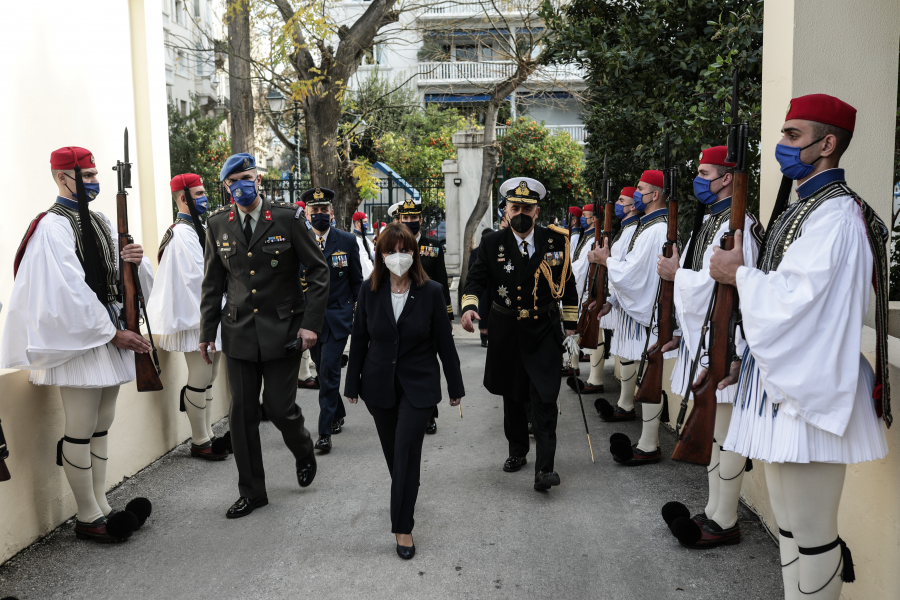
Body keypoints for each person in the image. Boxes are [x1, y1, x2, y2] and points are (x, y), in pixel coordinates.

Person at [709, 94, 889, 599]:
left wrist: (737, 273)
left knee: (811, 534)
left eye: (793, 135)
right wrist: (742, 355)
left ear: (826, 144)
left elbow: (798, 303)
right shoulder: (808, 208)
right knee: (789, 525)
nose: (781, 145)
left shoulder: (835, 217)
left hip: (812, 389)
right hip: (786, 384)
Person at [1, 146, 156, 542]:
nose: (93, 181)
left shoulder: (102, 220)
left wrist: (135, 261)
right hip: (79, 338)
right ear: (61, 178)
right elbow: (65, 290)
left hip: (105, 331)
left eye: (93, 174)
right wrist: (110, 332)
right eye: (85, 176)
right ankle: (87, 516)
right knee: (81, 425)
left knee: (102, 422)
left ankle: (101, 503)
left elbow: (116, 280)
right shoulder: (53, 226)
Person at [199, 153, 329, 519]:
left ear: (258, 179)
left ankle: (303, 448)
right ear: (225, 187)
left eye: (245, 178)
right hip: (238, 332)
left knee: (278, 407)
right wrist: (206, 332)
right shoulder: (218, 224)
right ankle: (253, 491)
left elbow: (318, 272)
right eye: (231, 181)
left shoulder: (287, 219)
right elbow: (213, 283)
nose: (239, 186)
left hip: (284, 330)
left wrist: (311, 325)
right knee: (240, 415)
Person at [654, 146, 763, 549]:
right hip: (711, 339)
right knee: (717, 433)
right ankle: (715, 510)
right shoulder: (713, 221)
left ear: (727, 178)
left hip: (730, 344)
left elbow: (736, 285)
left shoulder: (741, 226)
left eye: (706, 172)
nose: (700, 179)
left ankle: (726, 517)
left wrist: (675, 273)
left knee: (728, 435)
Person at [344, 223, 464, 559]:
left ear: (415, 253)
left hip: (419, 386)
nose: (399, 257)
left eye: (405, 250)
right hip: (378, 385)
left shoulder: (432, 291)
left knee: (406, 450)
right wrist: (351, 383)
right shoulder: (369, 290)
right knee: (398, 460)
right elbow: (360, 340)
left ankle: (403, 527)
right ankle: (406, 492)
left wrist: (455, 385)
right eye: (391, 250)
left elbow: (444, 342)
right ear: (381, 255)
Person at [461, 177, 578, 491]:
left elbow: (568, 285)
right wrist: (469, 307)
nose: (521, 212)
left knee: (545, 399)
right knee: (513, 398)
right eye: (516, 207)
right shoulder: (491, 244)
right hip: (507, 330)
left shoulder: (555, 242)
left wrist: (571, 327)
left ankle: (545, 470)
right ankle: (517, 451)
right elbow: (475, 280)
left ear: (537, 211)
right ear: (506, 210)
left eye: (527, 207)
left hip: (543, 330)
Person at [589, 170, 674, 465]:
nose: (637, 194)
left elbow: (632, 271)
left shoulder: (655, 229)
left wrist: (605, 261)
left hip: (649, 311)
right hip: (641, 308)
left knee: (650, 375)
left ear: (655, 194)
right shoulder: (646, 227)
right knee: (641, 369)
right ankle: (645, 438)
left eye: (641, 189)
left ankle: (650, 444)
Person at [147, 173, 229, 461]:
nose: (204, 198)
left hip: (213, 312)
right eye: (199, 194)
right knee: (201, 373)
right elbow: (198, 278)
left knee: (211, 374)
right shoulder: (181, 233)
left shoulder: (201, 227)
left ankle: (207, 433)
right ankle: (200, 439)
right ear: (183, 198)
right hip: (196, 316)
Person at [304, 188, 364, 453]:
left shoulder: (347, 241)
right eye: (314, 211)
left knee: (328, 370)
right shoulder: (300, 240)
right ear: (306, 214)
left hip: (338, 316)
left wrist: (359, 311)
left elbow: (356, 281)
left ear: (332, 212)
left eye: (323, 210)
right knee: (322, 370)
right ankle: (337, 412)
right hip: (310, 321)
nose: (319, 215)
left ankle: (324, 431)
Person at [397, 197, 453, 435]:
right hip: (400, 313)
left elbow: (441, 283)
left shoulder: (433, 247)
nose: (410, 222)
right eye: (405, 218)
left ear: (421, 218)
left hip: (428, 315)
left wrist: (448, 317)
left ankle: (430, 412)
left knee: (428, 364)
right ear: (399, 220)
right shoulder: (392, 245)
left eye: (413, 218)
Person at [592, 188, 642, 419]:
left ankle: (626, 405)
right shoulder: (627, 230)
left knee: (630, 353)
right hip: (622, 299)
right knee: (625, 353)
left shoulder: (636, 231)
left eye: (622, 201)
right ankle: (624, 403)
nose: (618, 204)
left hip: (632, 301)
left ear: (633, 206)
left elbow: (624, 267)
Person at [568, 202, 603, 393]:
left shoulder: (592, 238)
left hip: (587, 291)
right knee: (575, 328)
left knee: (590, 332)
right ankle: (572, 365)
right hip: (580, 288)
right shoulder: (586, 236)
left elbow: (581, 267)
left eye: (587, 215)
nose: (583, 218)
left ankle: (593, 378)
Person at [468, 228, 495, 348]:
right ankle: (484, 338)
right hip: (484, 287)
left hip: (495, 286)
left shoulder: (499, 250)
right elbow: (472, 270)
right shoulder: (476, 252)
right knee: (483, 311)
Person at [351, 211, 375, 279]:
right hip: (365, 276)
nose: (366, 224)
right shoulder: (356, 240)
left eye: (366, 222)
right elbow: (364, 262)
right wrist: (371, 276)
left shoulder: (363, 237)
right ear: (357, 223)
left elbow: (372, 253)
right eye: (364, 222)